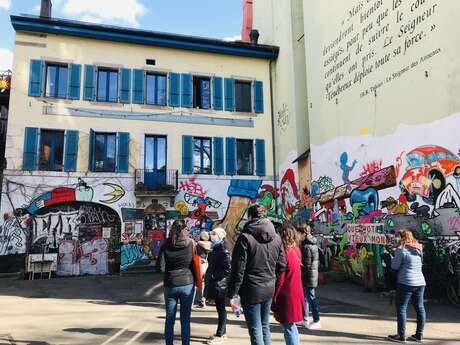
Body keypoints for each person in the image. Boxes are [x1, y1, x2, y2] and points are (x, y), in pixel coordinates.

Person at [227, 204, 286, 345]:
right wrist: (273, 279)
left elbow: (238, 269)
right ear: (265, 216)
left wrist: (232, 293)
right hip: (269, 287)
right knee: (264, 326)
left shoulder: (245, 237)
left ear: (250, 217)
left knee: (255, 328)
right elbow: (282, 265)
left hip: (251, 290)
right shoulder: (276, 237)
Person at [157, 220, 195, 345]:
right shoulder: (190, 243)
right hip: (187, 283)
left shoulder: (165, 244)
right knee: (185, 319)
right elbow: (194, 263)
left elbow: (160, 268)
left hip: (170, 283)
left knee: (170, 318)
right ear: (184, 229)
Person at [388, 229, 426, 343]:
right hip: (420, 283)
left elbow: (394, 266)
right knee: (420, 308)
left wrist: (393, 256)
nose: (396, 239)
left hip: (405, 282)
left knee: (401, 308)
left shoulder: (402, 250)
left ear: (403, 238)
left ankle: (401, 335)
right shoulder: (419, 249)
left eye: (398, 237)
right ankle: (418, 335)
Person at [272, 223, 305, 345]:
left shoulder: (284, 254)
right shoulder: (296, 250)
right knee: (292, 327)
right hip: (297, 292)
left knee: (288, 328)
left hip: (287, 295)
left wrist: (274, 297)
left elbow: (280, 279)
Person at [204, 227, 232, 344]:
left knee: (221, 309)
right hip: (216, 283)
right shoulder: (216, 247)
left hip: (220, 284)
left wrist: (215, 276)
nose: (212, 235)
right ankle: (221, 332)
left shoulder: (223, 249)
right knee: (219, 309)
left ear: (220, 236)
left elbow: (228, 268)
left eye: (214, 234)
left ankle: (220, 334)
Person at [298, 223, 321, 330]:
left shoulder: (306, 246)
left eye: (299, 233)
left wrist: (300, 274)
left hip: (308, 276)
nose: (298, 236)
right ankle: (305, 318)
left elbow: (306, 265)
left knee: (310, 298)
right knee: (306, 298)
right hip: (311, 275)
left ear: (304, 233)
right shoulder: (311, 243)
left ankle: (317, 320)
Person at [195, 231, 212, 308]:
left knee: (198, 283)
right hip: (207, 265)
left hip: (199, 265)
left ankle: (198, 300)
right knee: (205, 283)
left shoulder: (197, 245)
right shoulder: (211, 245)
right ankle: (204, 300)